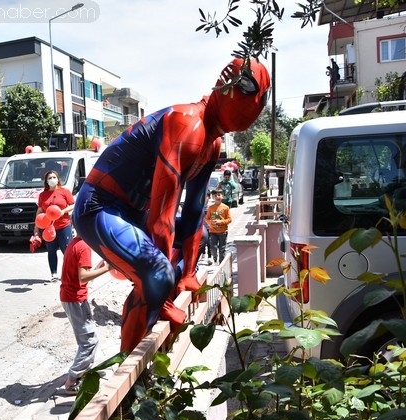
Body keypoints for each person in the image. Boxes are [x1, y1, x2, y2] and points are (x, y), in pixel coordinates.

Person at [72, 57, 270, 352]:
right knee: (158, 273)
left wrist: (187, 275)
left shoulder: (212, 143)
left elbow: (193, 213)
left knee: (193, 243)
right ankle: (131, 366)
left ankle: (149, 310)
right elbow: (161, 219)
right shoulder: (187, 125)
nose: (252, 102)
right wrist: (165, 289)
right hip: (99, 206)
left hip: (132, 212)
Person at [60, 236, 110, 394]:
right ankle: (72, 381)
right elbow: (83, 277)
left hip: (73, 297)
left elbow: (82, 272)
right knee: (89, 341)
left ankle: (84, 371)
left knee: (90, 338)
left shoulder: (76, 242)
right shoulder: (83, 246)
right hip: (75, 299)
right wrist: (109, 268)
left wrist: (100, 266)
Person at [34, 170, 75, 281]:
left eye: (54, 177)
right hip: (49, 228)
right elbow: (40, 211)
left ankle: (69, 273)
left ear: (57, 179)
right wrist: (36, 229)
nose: (52, 179)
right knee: (51, 250)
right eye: (49, 178)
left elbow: (73, 205)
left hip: (64, 226)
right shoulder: (43, 195)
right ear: (46, 181)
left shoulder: (64, 192)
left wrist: (63, 211)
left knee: (66, 251)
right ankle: (54, 274)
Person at [205, 189, 232, 264]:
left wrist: (221, 222)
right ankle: (215, 258)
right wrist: (210, 223)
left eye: (219, 195)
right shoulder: (211, 208)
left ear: (222, 196)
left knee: (222, 248)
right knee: (213, 247)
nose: (217, 197)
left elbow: (229, 219)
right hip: (213, 231)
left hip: (223, 232)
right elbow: (206, 218)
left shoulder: (225, 208)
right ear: (212, 197)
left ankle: (221, 263)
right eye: (215, 195)